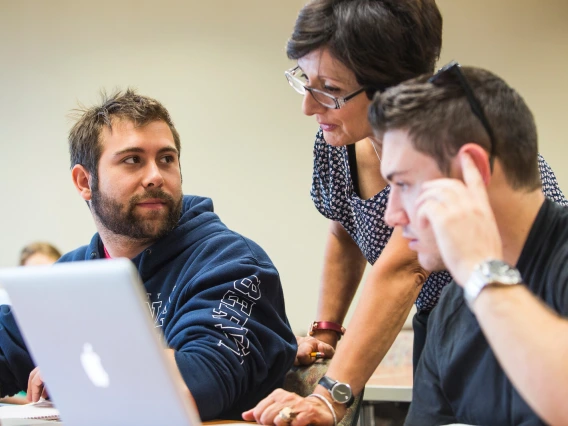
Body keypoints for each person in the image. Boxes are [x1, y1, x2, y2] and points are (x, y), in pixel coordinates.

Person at [244, 1, 566, 425]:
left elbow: (403, 268)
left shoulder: (547, 265)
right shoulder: (450, 313)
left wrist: (330, 396)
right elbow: (345, 233)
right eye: (306, 80)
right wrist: (327, 334)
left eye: (331, 88)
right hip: (456, 312)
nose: (390, 213)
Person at [0, 89, 297, 420]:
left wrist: (74, 367)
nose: (156, 176)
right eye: (133, 160)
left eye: (166, 159)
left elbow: (199, 381)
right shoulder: (73, 273)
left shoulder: (231, 263)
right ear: (85, 181)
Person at [370, 62, 568, 425]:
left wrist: (481, 270)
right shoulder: (450, 310)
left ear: (472, 169)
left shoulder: (481, 281)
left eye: (405, 185)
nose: (392, 215)